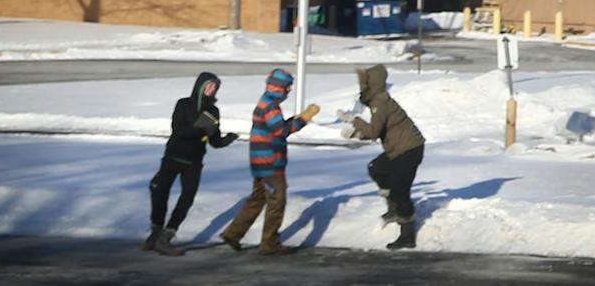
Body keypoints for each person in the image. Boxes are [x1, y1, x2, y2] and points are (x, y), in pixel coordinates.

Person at [219, 68, 318, 256]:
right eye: (287, 88)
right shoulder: (271, 106)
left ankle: (233, 233)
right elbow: (281, 131)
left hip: (260, 163)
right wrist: (304, 119)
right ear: (279, 88)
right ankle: (269, 242)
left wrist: (293, 119)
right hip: (271, 164)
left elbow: (277, 127)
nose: (288, 92)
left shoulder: (265, 102)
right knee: (276, 202)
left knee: (257, 199)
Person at [143, 70, 238, 257]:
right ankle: (155, 231)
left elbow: (214, 142)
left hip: (194, 161)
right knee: (159, 191)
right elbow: (179, 131)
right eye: (209, 85)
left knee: (187, 198)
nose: (211, 89)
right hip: (173, 157)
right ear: (200, 86)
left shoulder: (212, 111)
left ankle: (167, 236)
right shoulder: (184, 104)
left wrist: (227, 139)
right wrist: (202, 130)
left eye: (215, 87)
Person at [340, 63, 425, 249]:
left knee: (400, 190)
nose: (362, 87)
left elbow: (374, 132)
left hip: (409, 149)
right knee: (377, 168)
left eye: (365, 83)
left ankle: (407, 235)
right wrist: (357, 134)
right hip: (398, 149)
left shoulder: (380, 102)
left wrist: (354, 121)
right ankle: (394, 208)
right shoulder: (378, 100)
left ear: (374, 84)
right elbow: (379, 130)